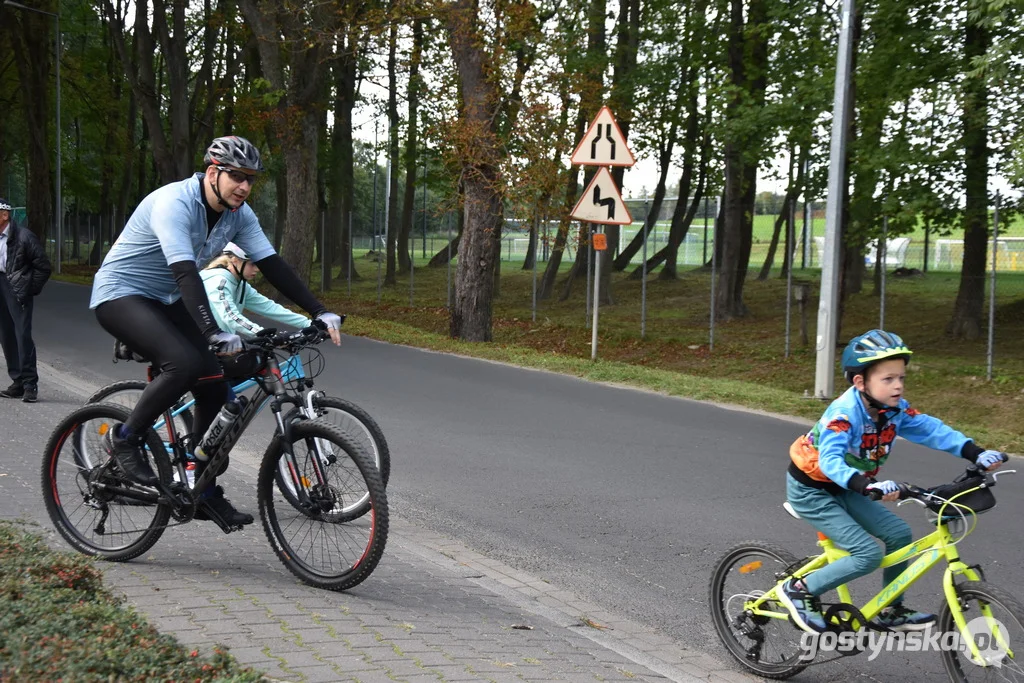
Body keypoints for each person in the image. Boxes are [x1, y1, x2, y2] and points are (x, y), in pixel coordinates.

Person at [90, 136, 343, 528]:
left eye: (251, 179)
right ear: (213, 172)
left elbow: (272, 264)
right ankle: (126, 436)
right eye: (237, 177)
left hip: (165, 298)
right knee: (185, 363)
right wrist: (212, 332)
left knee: (214, 382)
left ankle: (200, 483)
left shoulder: (238, 215)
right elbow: (187, 275)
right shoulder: (174, 203)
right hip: (121, 293)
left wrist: (319, 312)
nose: (244, 186)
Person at [780, 329, 1006, 633]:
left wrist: (974, 452)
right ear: (860, 382)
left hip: (850, 487)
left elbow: (930, 429)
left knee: (899, 534)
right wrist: (866, 485)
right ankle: (800, 589)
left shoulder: (893, 408)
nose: (898, 385)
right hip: (813, 490)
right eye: (888, 379)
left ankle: (891, 610)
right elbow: (831, 461)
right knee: (867, 554)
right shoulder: (843, 415)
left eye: (901, 377)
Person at [0, 198, 52, 403]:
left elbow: (43, 267)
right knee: (6, 335)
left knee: (22, 335)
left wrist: (28, 288)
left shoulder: (23, 236)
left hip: (16, 288)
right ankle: (18, 381)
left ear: (4, 215)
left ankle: (30, 384)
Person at [201, 242, 310, 338]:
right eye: (252, 264)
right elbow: (230, 316)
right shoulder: (219, 281)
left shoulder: (240, 284)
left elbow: (268, 307)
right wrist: (262, 333)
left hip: (222, 346)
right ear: (235, 260)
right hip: (199, 347)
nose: (257, 269)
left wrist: (309, 324)